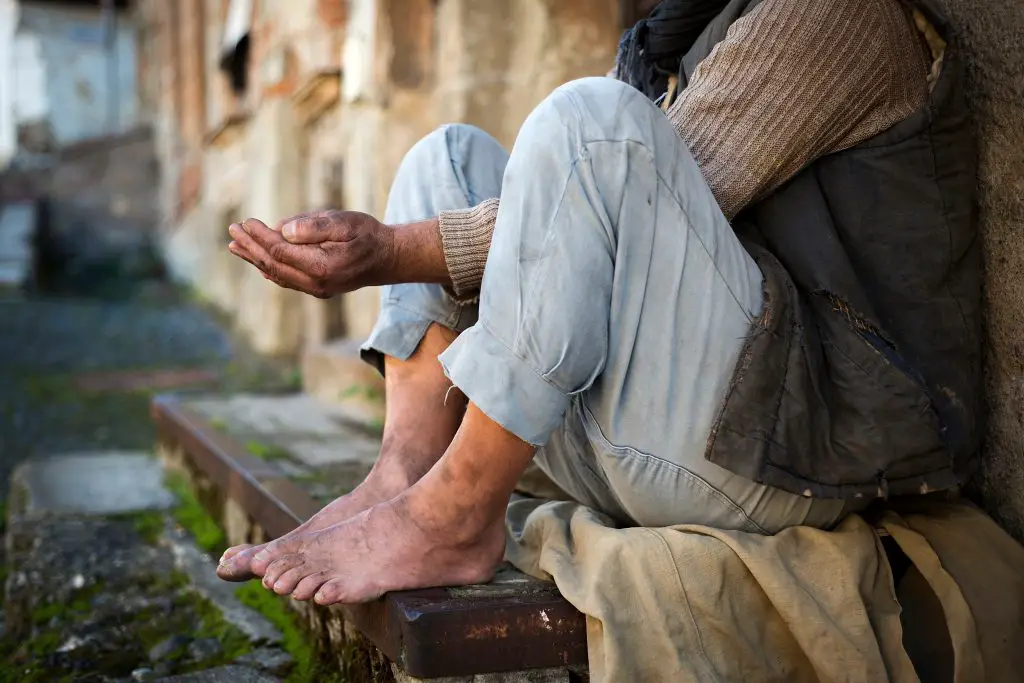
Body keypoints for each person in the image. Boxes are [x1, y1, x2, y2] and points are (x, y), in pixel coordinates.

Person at [215, 0, 980, 607]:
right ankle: (406, 474)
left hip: (790, 460)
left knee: (590, 124)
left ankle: (456, 512)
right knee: (447, 157)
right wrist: (399, 246)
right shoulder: (683, 34)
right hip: (640, 442)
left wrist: (388, 250)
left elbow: (627, 172)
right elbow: (568, 219)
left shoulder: (838, 17)